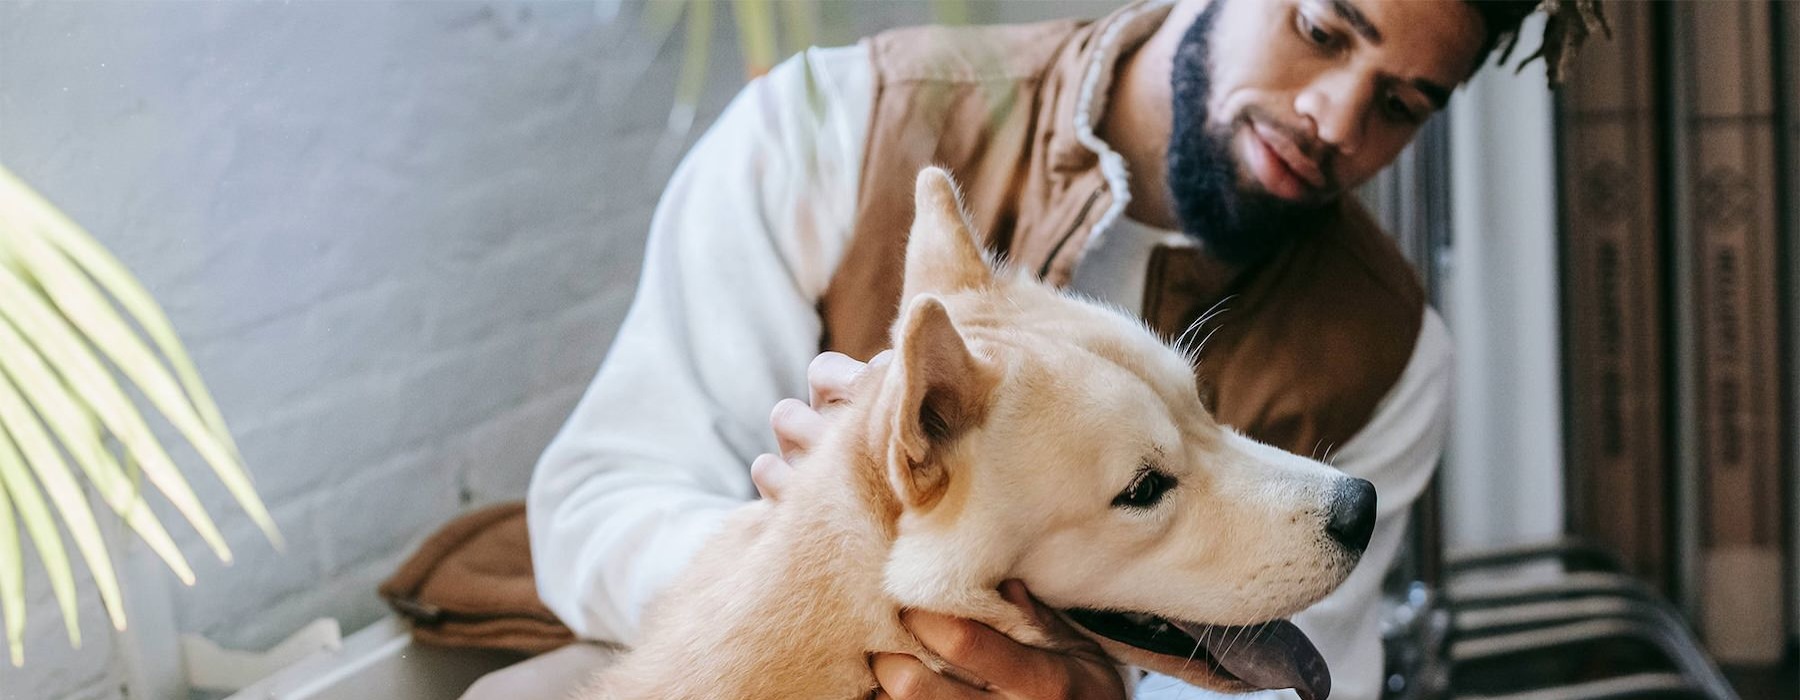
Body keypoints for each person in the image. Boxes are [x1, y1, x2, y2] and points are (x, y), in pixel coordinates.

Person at [469, 1, 1606, 698]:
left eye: (1401, 103)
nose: (1336, 120)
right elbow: (596, 497)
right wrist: (831, 553)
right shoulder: (833, 124)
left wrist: (1085, 687)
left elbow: (1312, 678)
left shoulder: (1386, 348)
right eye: (1320, 28)